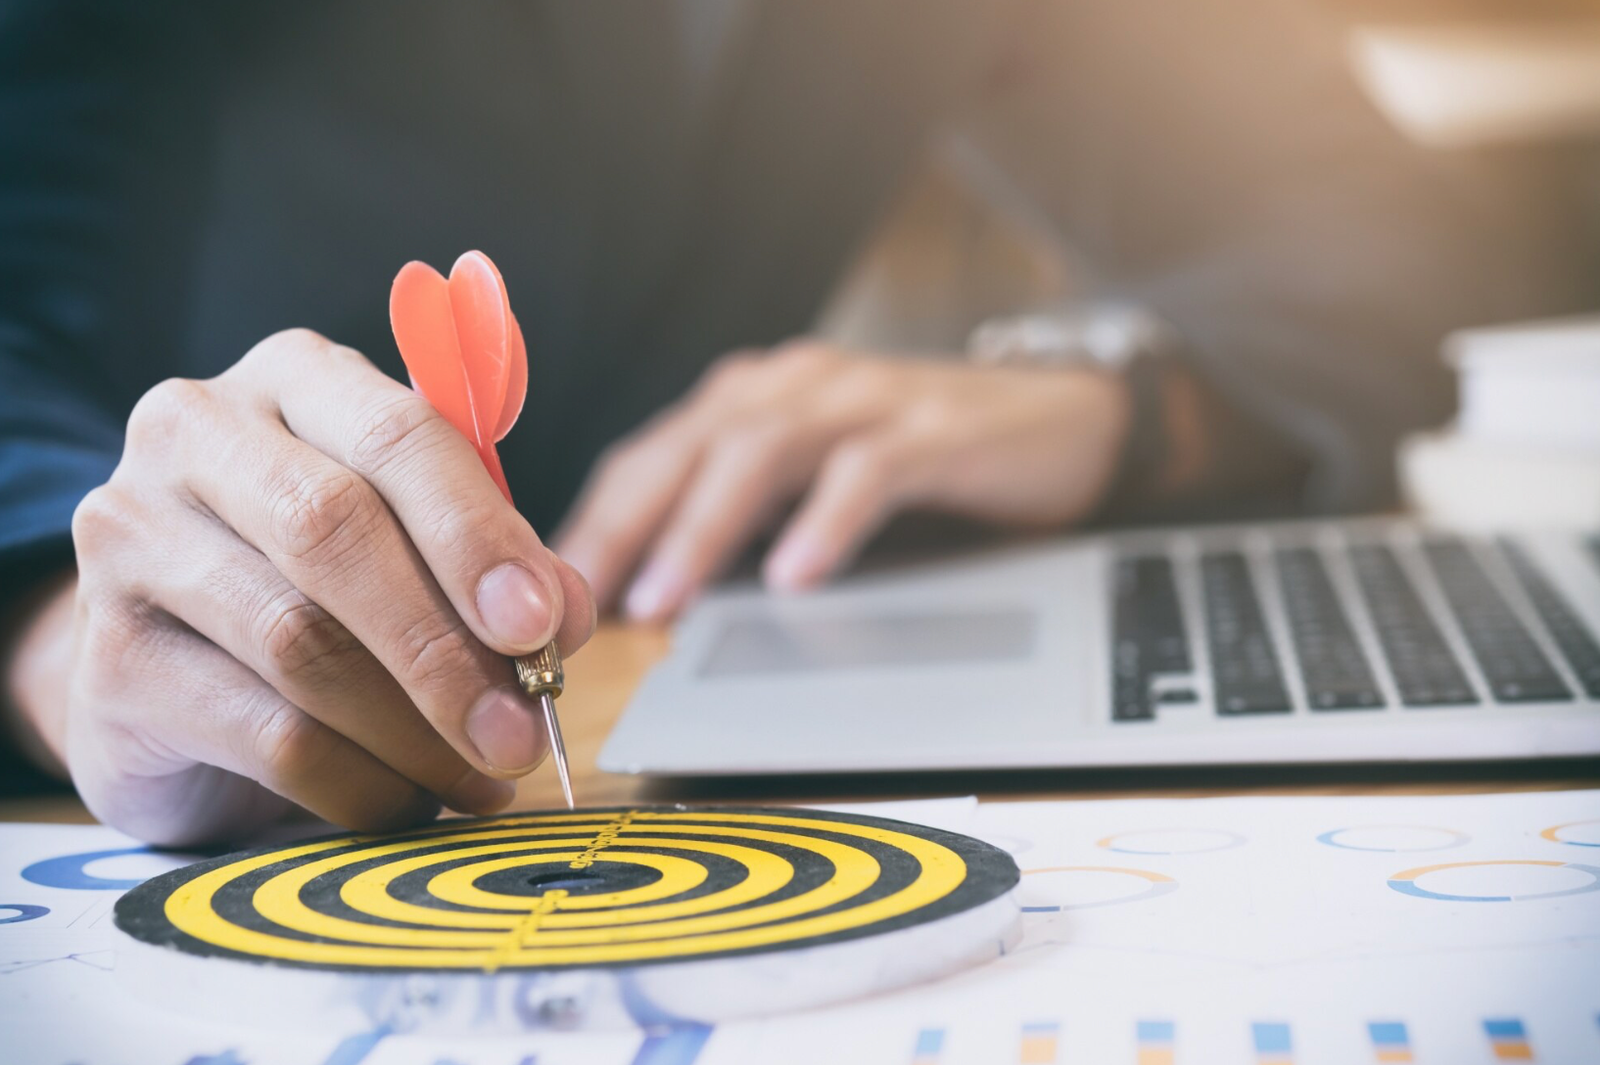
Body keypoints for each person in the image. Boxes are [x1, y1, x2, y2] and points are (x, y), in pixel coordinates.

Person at [0, 1, 1590, 845]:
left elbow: (1388, 230)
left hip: (648, 703)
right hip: (177, 735)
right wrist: (64, 622)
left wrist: (1114, 401)